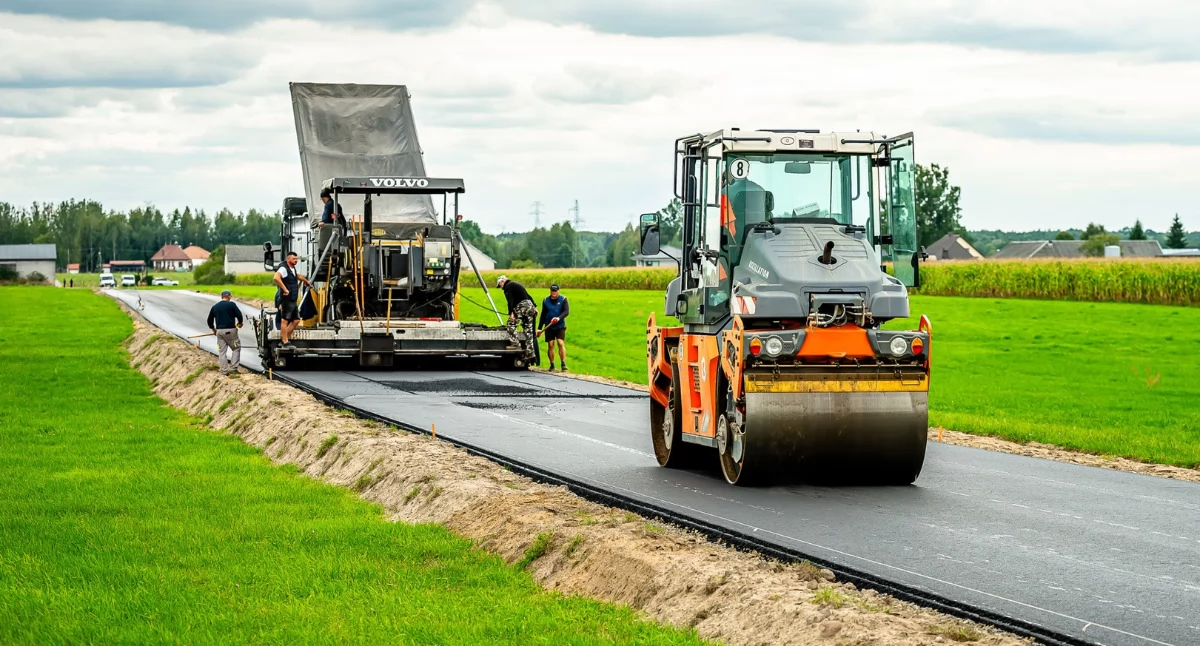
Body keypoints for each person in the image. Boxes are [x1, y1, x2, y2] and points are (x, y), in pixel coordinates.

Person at [273, 251, 312, 345]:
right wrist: (285, 289)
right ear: (288, 259)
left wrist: (306, 281)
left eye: (296, 259)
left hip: (293, 299)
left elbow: (296, 275)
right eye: (294, 259)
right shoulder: (283, 268)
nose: (296, 260)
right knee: (285, 320)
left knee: (296, 320)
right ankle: (285, 341)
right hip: (287, 299)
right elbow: (276, 277)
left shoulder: (292, 268)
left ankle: (284, 339)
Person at [497, 275, 537, 360]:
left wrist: (511, 313)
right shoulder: (516, 284)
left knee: (510, 325)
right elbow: (528, 295)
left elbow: (510, 300)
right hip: (530, 307)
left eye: (500, 285)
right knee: (528, 330)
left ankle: (515, 345)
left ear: (502, 281)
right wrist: (534, 307)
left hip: (522, 306)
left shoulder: (508, 286)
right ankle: (530, 353)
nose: (501, 288)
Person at [207, 289, 244, 376]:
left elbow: (209, 320)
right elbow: (239, 315)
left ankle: (224, 371)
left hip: (219, 332)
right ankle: (234, 368)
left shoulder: (215, 307)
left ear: (221, 297)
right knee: (236, 348)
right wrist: (240, 323)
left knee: (222, 352)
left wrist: (213, 329)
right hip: (231, 331)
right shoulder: (232, 305)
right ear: (230, 297)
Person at [538, 284, 569, 371]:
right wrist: (539, 328)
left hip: (560, 325)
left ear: (558, 291)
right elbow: (543, 314)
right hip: (549, 326)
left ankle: (563, 363)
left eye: (555, 291)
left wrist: (558, 318)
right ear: (550, 291)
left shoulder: (563, 299)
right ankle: (552, 365)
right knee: (551, 344)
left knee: (560, 343)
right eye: (552, 291)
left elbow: (566, 311)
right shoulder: (545, 300)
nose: (554, 293)